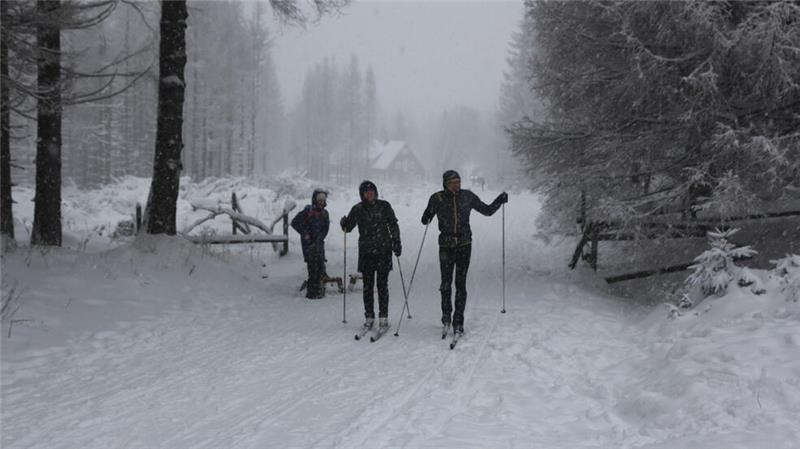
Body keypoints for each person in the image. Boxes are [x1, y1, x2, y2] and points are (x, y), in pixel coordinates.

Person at [421, 170, 508, 335]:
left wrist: (499, 201)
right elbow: (425, 220)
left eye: (458, 182)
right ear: (445, 184)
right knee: (445, 284)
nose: (456, 185)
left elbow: (487, 211)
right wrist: (428, 214)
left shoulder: (467, 196)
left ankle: (458, 321)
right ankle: (446, 317)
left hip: (464, 245)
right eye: (453, 183)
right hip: (446, 245)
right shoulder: (437, 198)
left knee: (460, 284)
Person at [340, 181, 401, 332]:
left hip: (383, 251)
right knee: (367, 286)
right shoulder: (358, 209)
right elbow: (349, 228)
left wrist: (396, 242)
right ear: (362, 195)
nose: (370, 194)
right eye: (367, 192)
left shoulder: (384, 206)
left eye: (372, 191)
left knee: (382, 285)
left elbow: (393, 224)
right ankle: (369, 317)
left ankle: (383, 317)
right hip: (366, 252)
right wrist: (344, 224)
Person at [291, 189, 330, 299]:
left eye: (323, 200)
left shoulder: (325, 214)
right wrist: (305, 233)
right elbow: (294, 223)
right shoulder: (307, 211)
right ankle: (312, 293)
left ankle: (320, 289)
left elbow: (325, 229)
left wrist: (319, 239)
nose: (321, 203)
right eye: (319, 200)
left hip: (319, 245)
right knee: (312, 268)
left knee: (320, 266)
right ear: (314, 200)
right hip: (308, 245)